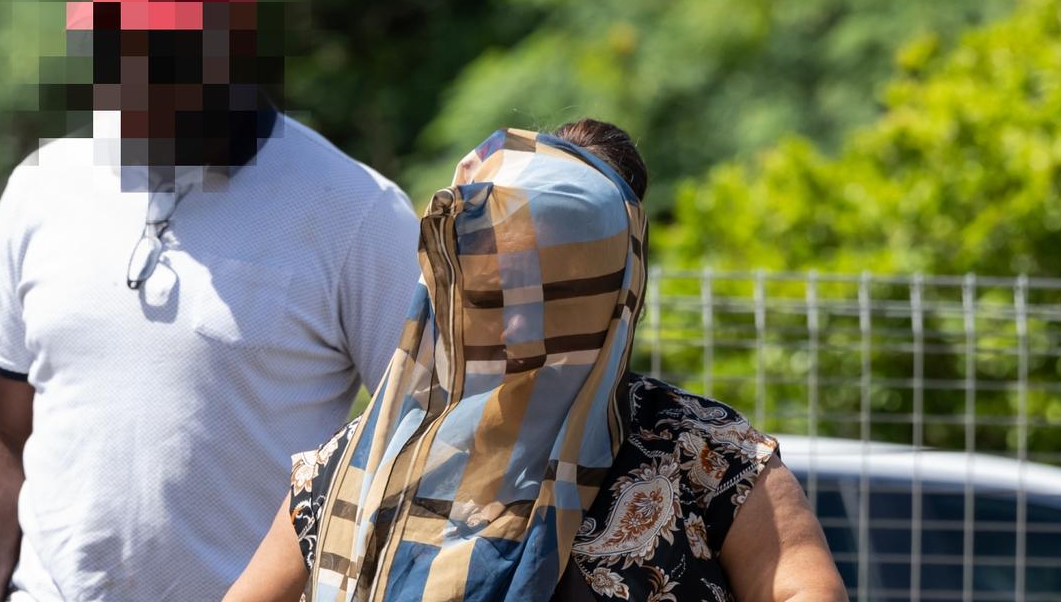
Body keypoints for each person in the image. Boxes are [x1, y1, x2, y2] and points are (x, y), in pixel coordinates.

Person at [0, 0, 419, 601]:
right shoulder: (42, 186)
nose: (125, 79)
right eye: (109, 49)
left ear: (229, 41)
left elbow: (422, 450)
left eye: (156, 54)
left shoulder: (354, 211)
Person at [227, 119, 847, 601]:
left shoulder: (704, 456)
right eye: (497, 285)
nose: (519, 318)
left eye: (557, 287)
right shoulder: (359, 466)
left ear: (611, 297)